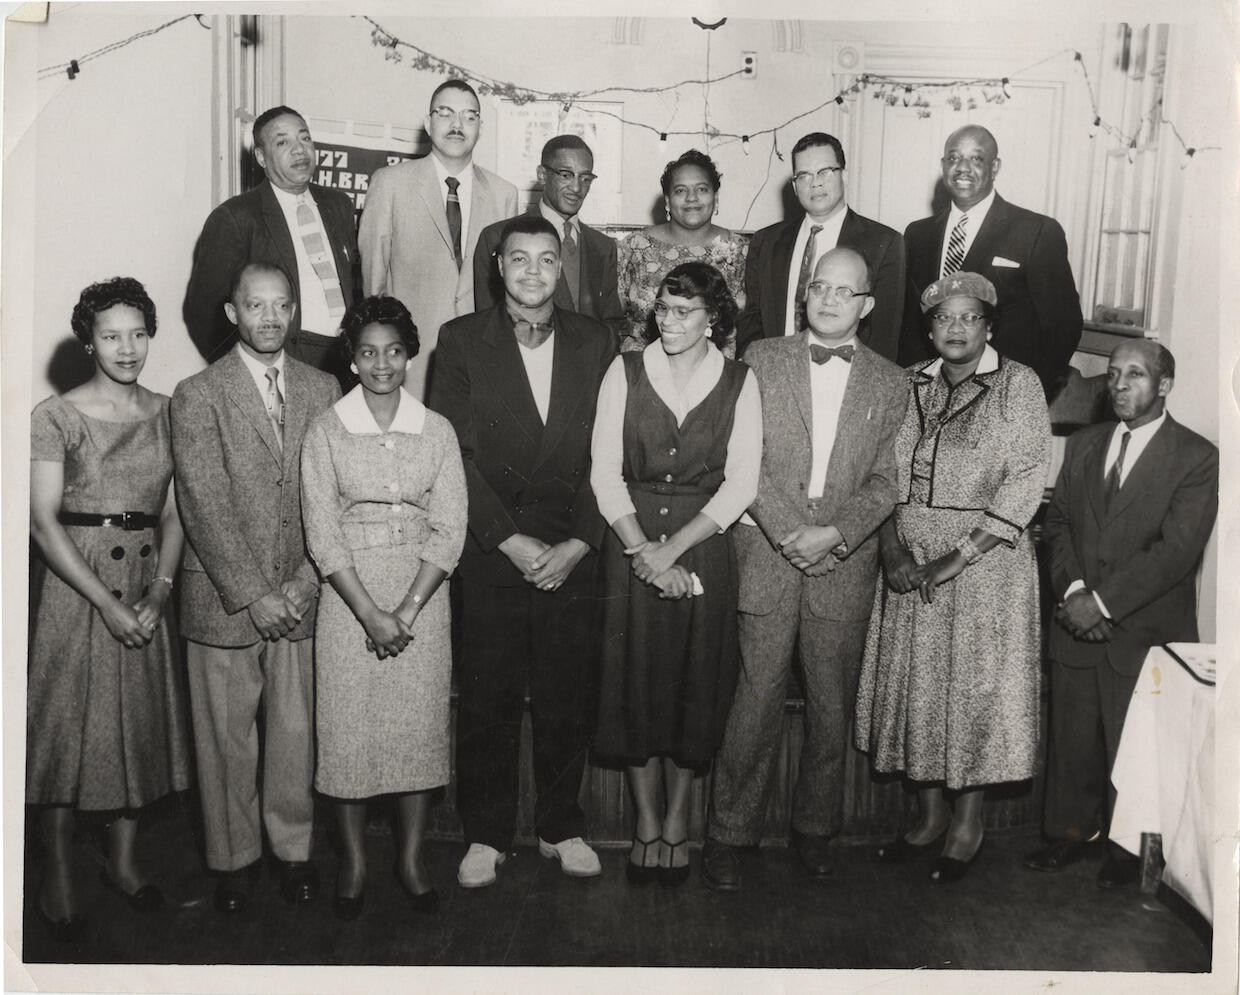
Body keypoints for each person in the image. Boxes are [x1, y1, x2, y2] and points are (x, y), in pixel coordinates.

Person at [704, 247, 908, 892]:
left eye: (843, 292)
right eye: (818, 286)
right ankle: (731, 833)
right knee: (754, 697)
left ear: (866, 305)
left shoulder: (892, 381)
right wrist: (786, 527)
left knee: (830, 704)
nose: (826, 299)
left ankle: (815, 829)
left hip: (844, 561)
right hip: (766, 549)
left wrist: (836, 534)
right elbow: (743, 455)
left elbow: (887, 480)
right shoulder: (761, 359)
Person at [429, 215, 614, 889]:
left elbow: (609, 452)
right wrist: (507, 538)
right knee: (488, 695)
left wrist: (579, 541)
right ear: (497, 268)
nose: (533, 272)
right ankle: (485, 832)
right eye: (519, 260)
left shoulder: (597, 340)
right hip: (492, 544)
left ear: (561, 268)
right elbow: (453, 453)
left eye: (545, 260)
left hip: (571, 544)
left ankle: (561, 824)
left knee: (569, 692)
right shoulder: (458, 341)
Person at [854, 272, 1051, 883]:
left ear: (989, 326)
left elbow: (1024, 482)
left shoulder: (1018, 385)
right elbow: (880, 473)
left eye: (969, 318)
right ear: (930, 327)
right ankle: (929, 817)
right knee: (920, 692)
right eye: (945, 319)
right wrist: (890, 548)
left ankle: (968, 825)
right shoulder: (908, 381)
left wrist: (957, 556)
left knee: (970, 695)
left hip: (986, 564)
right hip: (911, 560)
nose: (957, 329)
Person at [171, 261, 340, 914]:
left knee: (296, 734)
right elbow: (202, 501)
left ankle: (293, 851)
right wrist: (254, 591)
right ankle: (233, 861)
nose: (270, 317)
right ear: (232, 313)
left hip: (300, 595)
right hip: (223, 599)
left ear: (293, 311)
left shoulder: (323, 387)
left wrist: (302, 582)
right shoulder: (198, 393)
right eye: (255, 305)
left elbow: (331, 494)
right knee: (225, 738)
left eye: (281, 305)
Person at [27, 278, 191, 941]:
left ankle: (123, 861)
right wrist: (105, 603)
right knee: (69, 732)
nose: (127, 348)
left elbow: (177, 508)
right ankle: (57, 869)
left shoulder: (168, 409)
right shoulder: (55, 415)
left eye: (138, 333)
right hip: (78, 584)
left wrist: (160, 590)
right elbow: (40, 520)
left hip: (147, 578)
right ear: (88, 339)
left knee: (136, 727)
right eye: (111, 335)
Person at [591, 261, 761, 886]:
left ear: (712, 317)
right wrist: (643, 553)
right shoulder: (625, 370)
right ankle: (643, 822)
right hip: (629, 539)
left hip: (704, 543)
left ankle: (679, 821)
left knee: (695, 682)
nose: (668, 322)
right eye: (662, 309)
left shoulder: (741, 381)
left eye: (684, 311)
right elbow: (604, 474)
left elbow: (742, 480)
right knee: (633, 682)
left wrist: (674, 551)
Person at [1024, 340, 1218, 888]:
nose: (1119, 385)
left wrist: (1103, 602)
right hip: (1077, 620)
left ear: (1165, 384)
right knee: (1074, 735)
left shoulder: (1198, 457)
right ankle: (1068, 836)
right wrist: (1076, 590)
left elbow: (1176, 553)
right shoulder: (1085, 444)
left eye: (1135, 374)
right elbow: (1057, 524)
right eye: (1112, 375)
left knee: (1137, 743)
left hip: (1144, 630)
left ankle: (1126, 849)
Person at [300, 295, 467, 919]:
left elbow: (449, 528)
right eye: (367, 352)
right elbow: (322, 531)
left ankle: (411, 859)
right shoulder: (327, 430)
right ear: (351, 357)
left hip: (423, 595)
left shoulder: (438, 430)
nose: (381, 364)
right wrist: (371, 613)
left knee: (417, 733)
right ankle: (354, 863)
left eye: (393, 351)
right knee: (347, 735)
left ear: (409, 355)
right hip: (348, 599)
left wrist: (409, 608)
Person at [359, 78, 518, 399]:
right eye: (445, 113)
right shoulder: (390, 184)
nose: (457, 124)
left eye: (469, 116)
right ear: (428, 123)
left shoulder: (504, 195)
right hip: (412, 365)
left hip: (482, 363)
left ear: (480, 127)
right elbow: (373, 288)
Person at [899, 125, 1083, 401]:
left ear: (995, 167)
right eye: (954, 158)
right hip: (929, 396)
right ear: (943, 166)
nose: (962, 167)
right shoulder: (917, 234)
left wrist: (1025, 395)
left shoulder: (1036, 231)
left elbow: (1064, 327)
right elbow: (911, 323)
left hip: (1003, 397)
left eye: (976, 158)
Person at [184, 106, 358, 375]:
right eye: (283, 142)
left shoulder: (339, 205)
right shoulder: (235, 217)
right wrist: (247, 372)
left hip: (347, 359)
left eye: (305, 138)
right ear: (261, 157)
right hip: (285, 359)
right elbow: (203, 312)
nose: (299, 150)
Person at [736, 133, 904, 362]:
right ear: (795, 186)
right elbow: (752, 321)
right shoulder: (765, 241)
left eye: (825, 172)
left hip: (846, 380)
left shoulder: (884, 243)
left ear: (844, 176)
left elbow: (885, 335)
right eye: (804, 175)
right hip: (775, 377)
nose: (815, 183)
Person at [474, 134, 624, 341]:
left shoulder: (603, 246)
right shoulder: (497, 237)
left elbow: (612, 321)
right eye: (565, 175)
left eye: (585, 178)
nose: (577, 187)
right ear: (542, 175)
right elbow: (487, 323)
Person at [617, 150, 749, 356]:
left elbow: (751, 327)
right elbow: (609, 319)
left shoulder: (740, 252)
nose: (691, 198)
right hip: (641, 373)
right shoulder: (634, 248)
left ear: (715, 197)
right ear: (668, 201)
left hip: (719, 375)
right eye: (680, 191)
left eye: (702, 189)